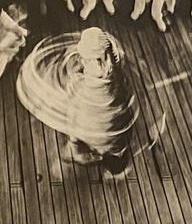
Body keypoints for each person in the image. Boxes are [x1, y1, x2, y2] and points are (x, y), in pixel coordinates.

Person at [16, 26, 138, 172]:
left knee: (104, 141)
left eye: (86, 59)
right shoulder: (108, 62)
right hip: (97, 118)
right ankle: (97, 155)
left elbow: (92, 101)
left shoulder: (97, 85)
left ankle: (109, 161)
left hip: (99, 120)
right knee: (98, 136)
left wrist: (74, 84)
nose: (82, 60)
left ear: (98, 61)